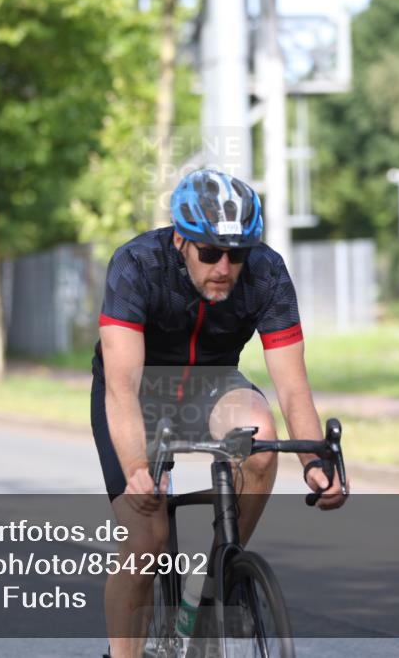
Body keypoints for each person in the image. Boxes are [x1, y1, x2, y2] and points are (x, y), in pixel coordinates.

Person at [91, 168, 349, 657]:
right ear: (181, 241)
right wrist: (136, 470)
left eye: (237, 254)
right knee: (147, 539)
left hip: (214, 384)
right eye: (210, 252)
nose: (225, 267)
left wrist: (316, 464)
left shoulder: (268, 272)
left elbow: (292, 386)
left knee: (260, 443)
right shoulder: (136, 265)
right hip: (138, 390)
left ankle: (221, 569)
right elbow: (121, 389)